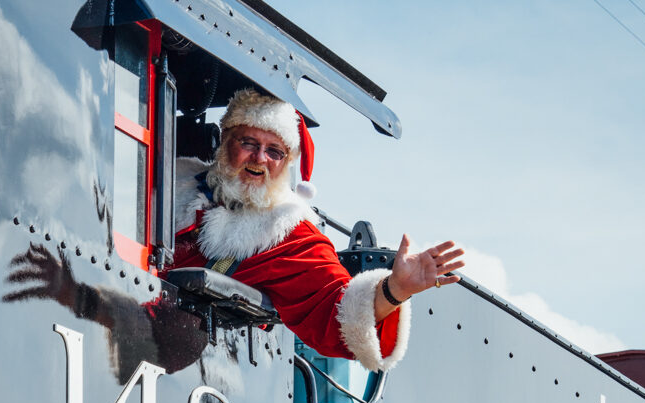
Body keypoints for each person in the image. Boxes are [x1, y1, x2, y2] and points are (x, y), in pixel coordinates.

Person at [171, 88, 464, 372]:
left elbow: (335, 310)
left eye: (274, 151)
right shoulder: (168, 179)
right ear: (225, 140)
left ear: (287, 162)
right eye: (248, 143)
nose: (260, 158)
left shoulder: (289, 233)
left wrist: (394, 290)